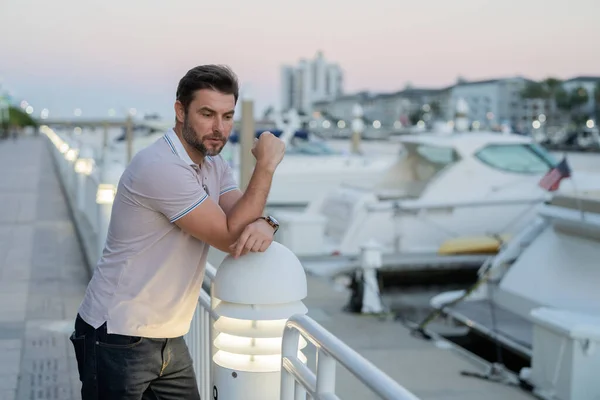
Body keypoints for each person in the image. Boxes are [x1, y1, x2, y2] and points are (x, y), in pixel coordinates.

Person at [70, 64, 285, 399]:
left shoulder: (214, 165)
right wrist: (266, 165)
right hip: (116, 336)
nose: (219, 128)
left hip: (169, 337)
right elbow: (229, 237)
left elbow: (241, 217)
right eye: (207, 114)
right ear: (180, 111)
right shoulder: (160, 167)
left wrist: (265, 222)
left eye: (227, 116)